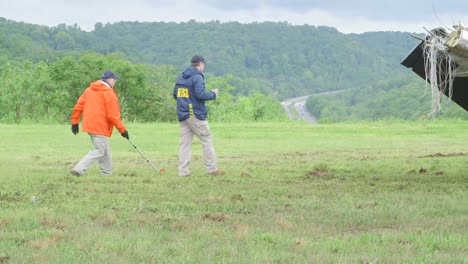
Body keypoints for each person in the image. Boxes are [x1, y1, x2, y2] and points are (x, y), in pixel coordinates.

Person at [70, 70, 129, 176]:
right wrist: (122, 130)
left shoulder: (89, 90)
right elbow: (113, 115)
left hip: (90, 125)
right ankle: (79, 169)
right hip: (100, 127)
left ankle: (106, 173)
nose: (115, 82)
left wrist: (75, 122)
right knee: (99, 150)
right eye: (114, 80)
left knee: (105, 151)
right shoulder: (109, 93)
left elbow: (78, 106)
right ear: (109, 80)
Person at [173, 55, 224, 176]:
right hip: (195, 114)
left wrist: (185, 102)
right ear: (200, 64)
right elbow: (201, 95)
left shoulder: (181, 76)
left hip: (183, 114)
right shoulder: (197, 77)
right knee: (206, 139)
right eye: (204, 65)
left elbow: (175, 94)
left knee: (185, 144)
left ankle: (183, 171)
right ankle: (212, 169)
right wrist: (213, 94)